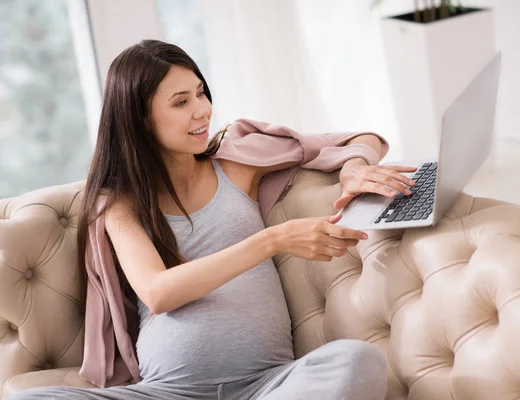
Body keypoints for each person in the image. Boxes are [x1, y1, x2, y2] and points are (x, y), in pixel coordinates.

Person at [11, 40, 417, 400]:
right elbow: (158, 292)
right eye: (181, 102)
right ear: (139, 118)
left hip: (269, 385)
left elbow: (363, 138)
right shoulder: (120, 203)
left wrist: (354, 167)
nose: (203, 110)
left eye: (201, 93)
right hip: (167, 391)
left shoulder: (238, 160)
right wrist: (270, 241)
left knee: (357, 359)